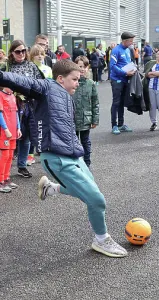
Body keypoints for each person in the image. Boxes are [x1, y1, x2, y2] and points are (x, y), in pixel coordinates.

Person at [0, 60, 128, 257]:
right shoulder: (46, 87)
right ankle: (101, 240)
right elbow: (19, 80)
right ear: (60, 78)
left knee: (88, 191)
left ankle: (51, 188)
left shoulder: (68, 97)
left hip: (74, 155)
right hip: (56, 158)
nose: (78, 83)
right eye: (74, 79)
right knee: (96, 199)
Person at [7, 39, 43, 176]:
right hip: (12, 105)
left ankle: (22, 166)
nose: (21, 53)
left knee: (26, 137)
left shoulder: (31, 66)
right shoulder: (7, 67)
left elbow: (40, 83)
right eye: (18, 51)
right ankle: (4, 169)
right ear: (12, 53)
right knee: (11, 136)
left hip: (30, 105)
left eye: (23, 50)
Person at [73, 56, 99, 167]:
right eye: (79, 67)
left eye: (84, 67)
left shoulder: (91, 84)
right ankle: (74, 163)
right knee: (73, 142)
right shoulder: (71, 82)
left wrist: (95, 120)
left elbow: (95, 103)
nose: (82, 69)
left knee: (85, 142)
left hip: (85, 118)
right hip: (72, 118)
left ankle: (87, 163)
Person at [110, 31, 136, 135]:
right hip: (117, 80)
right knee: (116, 102)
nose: (132, 43)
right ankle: (114, 125)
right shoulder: (116, 50)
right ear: (125, 41)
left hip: (126, 79)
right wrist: (125, 73)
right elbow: (113, 66)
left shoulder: (128, 50)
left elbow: (128, 62)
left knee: (122, 102)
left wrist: (133, 69)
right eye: (130, 41)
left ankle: (121, 124)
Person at [0, 87, 22, 193]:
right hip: (5, 133)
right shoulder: (0, 95)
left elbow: (16, 113)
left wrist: (18, 128)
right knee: (5, 156)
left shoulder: (13, 96)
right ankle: (1, 181)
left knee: (10, 156)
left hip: (13, 131)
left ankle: (7, 178)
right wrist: (5, 129)